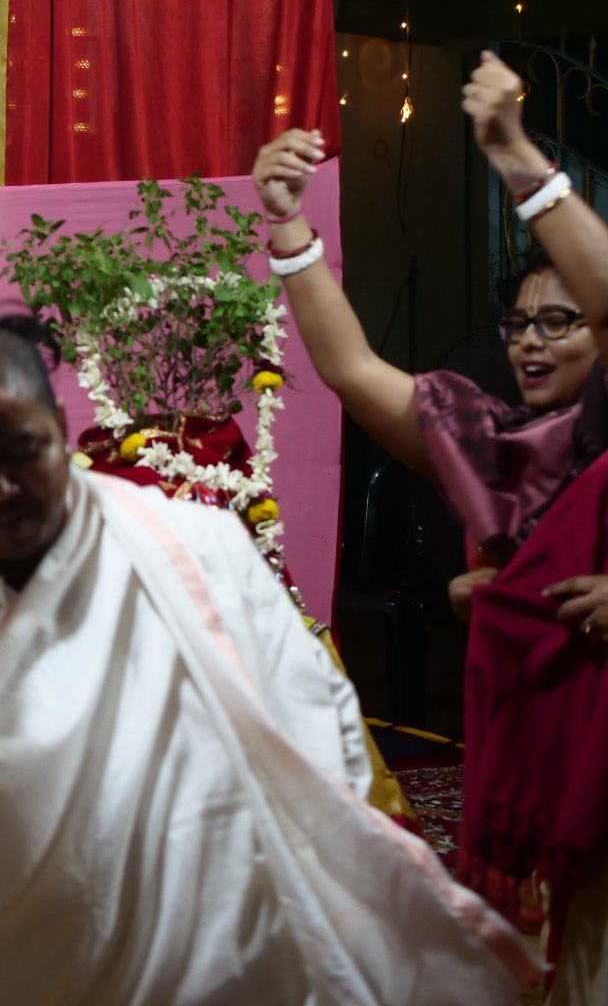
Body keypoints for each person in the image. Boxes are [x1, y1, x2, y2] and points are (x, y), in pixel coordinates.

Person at [0, 249, 540, 1006]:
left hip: (218, 950)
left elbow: (311, 707)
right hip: (15, 964)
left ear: (59, 428)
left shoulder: (188, 541)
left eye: (20, 451)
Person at [253, 51, 608, 1003]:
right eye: (519, 324)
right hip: (530, 757)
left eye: (562, 321)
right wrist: (287, 227)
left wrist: (511, 153)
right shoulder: (489, 440)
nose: (531, 340)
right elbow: (351, 370)